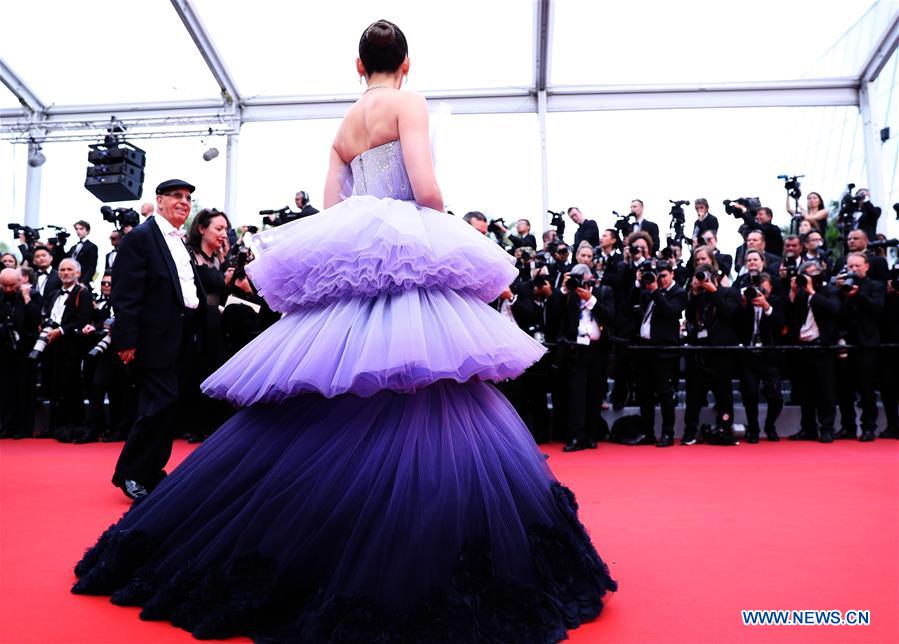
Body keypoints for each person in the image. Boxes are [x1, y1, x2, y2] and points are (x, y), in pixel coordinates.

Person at [73, 21, 616, 642]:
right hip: (405, 256)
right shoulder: (408, 103)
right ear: (405, 63)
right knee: (426, 388)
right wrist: (435, 227)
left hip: (355, 259)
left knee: (332, 395)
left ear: (358, 66)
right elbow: (429, 190)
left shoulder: (343, 127)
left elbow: (335, 209)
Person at [108, 178, 206, 501]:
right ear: (159, 201)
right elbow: (126, 293)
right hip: (153, 338)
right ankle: (131, 474)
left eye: (188, 198)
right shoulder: (140, 238)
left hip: (181, 336)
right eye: (176, 196)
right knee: (157, 405)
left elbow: (187, 288)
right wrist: (125, 340)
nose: (184, 202)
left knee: (170, 406)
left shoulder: (181, 242)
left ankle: (151, 471)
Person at [0, 267, 42, 439]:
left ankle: (24, 428)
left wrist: (26, 298)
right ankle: (6, 426)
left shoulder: (32, 295)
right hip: (3, 351)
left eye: (12, 285)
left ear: (21, 281)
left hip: (25, 350)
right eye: (5, 285)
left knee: (25, 389)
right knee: (5, 390)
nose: (9, 289)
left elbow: (35, 320)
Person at [66, 220, 98, 287]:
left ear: (87, 231)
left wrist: (83, 282)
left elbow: (92, 267)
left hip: (81, 281)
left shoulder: (92, 247)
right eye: (77, 229)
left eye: (81, 229)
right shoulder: (73, 247)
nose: (78, 231)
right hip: (70, 279)